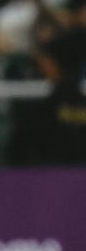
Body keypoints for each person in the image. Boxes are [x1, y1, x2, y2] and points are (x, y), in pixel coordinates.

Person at [5, 30, 86, 165]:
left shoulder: (38, 110)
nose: (41, 66)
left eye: (47, 61)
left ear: (57, 64)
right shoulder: (37, 108)